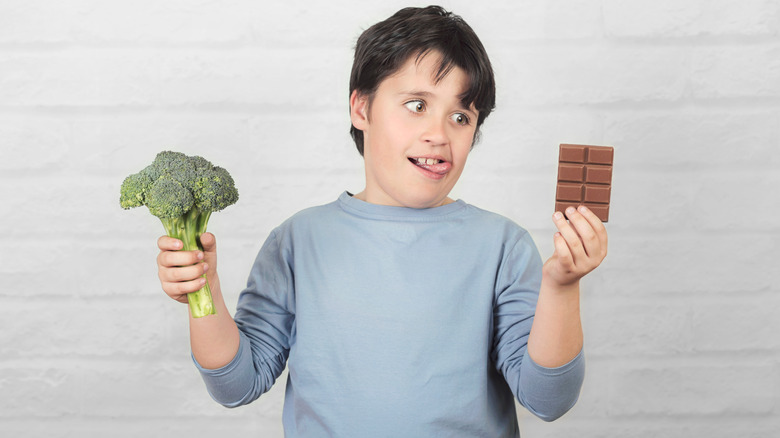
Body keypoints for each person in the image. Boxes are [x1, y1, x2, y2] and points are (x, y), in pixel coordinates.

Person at [156, 6, 607, 437]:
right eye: (416, 105)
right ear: (361, 108)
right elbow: (237, 385)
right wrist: (206, 289)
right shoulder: (297, 241)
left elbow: (549, 399)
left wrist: (562, 286)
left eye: (460, 116)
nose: (439, 133)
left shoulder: (503, 246)